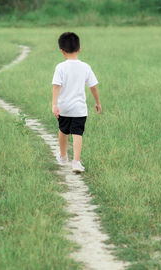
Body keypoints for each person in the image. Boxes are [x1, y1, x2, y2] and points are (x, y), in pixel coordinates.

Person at [52, 32, 102, 173]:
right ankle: (76, 162)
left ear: (62, 51)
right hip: (79, 109)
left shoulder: (60, 67)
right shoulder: (85, 67)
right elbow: (93, 86)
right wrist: (97, 102)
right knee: (77, 133)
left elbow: (56, 86)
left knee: (63, 131)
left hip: (64, 108)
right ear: (79, 48)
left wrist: (54, 105)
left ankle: (63, 157)